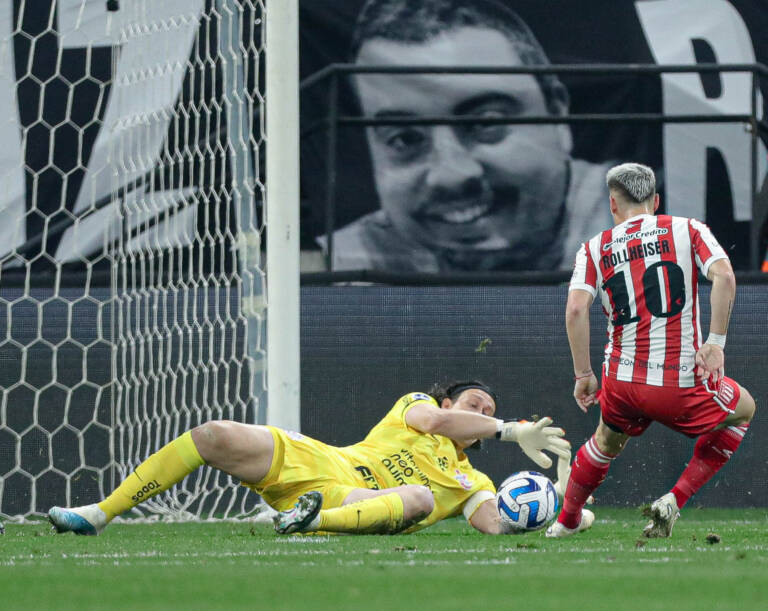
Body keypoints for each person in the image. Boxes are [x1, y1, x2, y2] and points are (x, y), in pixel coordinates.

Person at [48, 380, 572, 536]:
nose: (483, 412)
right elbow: (435, 423)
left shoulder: (471, 478)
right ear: (448, 401)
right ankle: (99, 513)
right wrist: (507, 429)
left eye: (490, 411)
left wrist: (562, 505)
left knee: (414, 497)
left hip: (355, 502)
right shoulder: (415, 406)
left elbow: (497, 523)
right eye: (475, 405)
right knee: (213, 434)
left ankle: (307, 520)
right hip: (324, 462)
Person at [317, 0, 612, 272]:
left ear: (558, 114)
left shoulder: (643, 222)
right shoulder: (344, 264)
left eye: (485, 122)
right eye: (405, 139)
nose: (451, 175)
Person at [546, 162, 756, 538]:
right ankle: (673, 500)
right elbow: (724, 275)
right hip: (678, 382)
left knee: (605, 442)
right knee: (744, 410)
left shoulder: (594, 248)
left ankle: (567, 521)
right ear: (656, 201)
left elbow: (576, 309)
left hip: (621, 381)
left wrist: (583, 374)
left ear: (613, 204)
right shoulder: (688, 229)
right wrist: (715, 342)